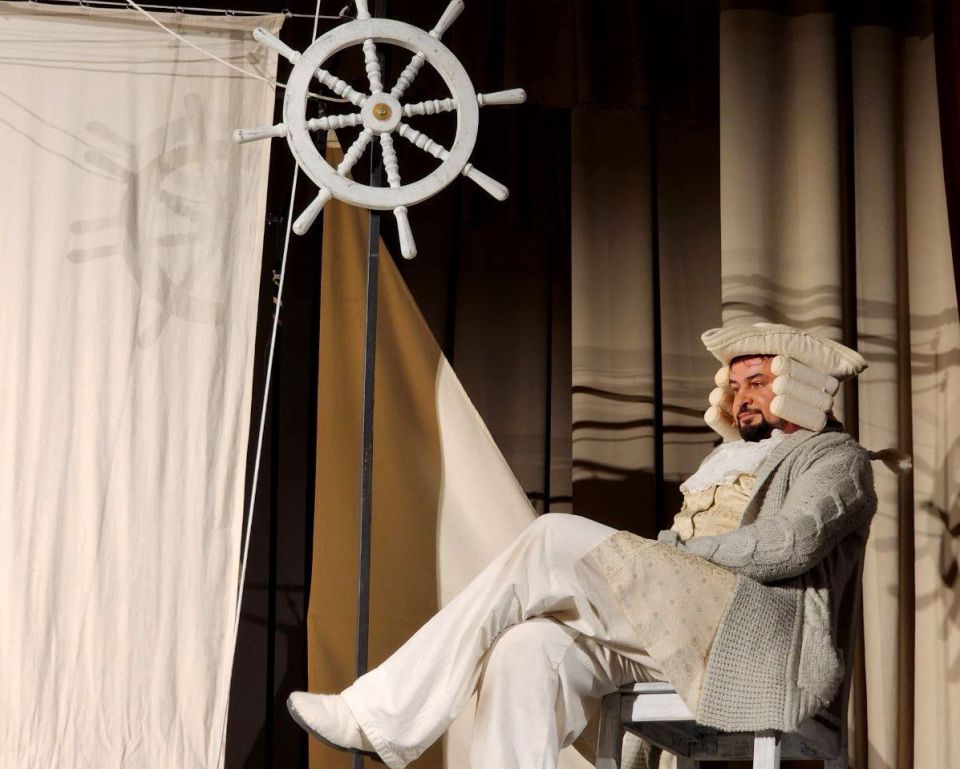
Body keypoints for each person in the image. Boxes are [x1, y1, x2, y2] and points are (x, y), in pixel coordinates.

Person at [286, 323, 881, 769]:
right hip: (681, 630)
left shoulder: (836, 458)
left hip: (754, 636)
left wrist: (673, 557)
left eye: (759, 383)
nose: (743, 397)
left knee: (553, 534)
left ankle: (382, 714)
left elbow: (791, 544)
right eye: (737, 385)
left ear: (800, 387)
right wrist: (670, 557)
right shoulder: (721, 463)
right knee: (525, 647)